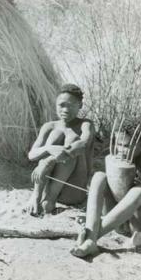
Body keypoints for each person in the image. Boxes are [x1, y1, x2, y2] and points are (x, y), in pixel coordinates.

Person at [70, 119, 141, 257]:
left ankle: (90, 239)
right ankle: (91, 233)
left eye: (126, 146)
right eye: (118, 144)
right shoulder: (115, 161)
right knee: (99, 176)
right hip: (117, 225)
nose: (119, 150)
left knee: (140, 192)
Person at [23, 84, 95, 216]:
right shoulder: (49, 126)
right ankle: (37, 196)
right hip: (46, 186)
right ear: (55, 105)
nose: (66, 110)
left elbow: (83, 144)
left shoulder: (86, 124)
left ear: (80, 105)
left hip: (72, 192)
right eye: (62, 105)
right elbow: (31, 155)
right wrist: (50, 149)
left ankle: (49, 200)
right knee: (56, 135)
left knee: (72, 140)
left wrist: (50, 159)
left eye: (71, 105)